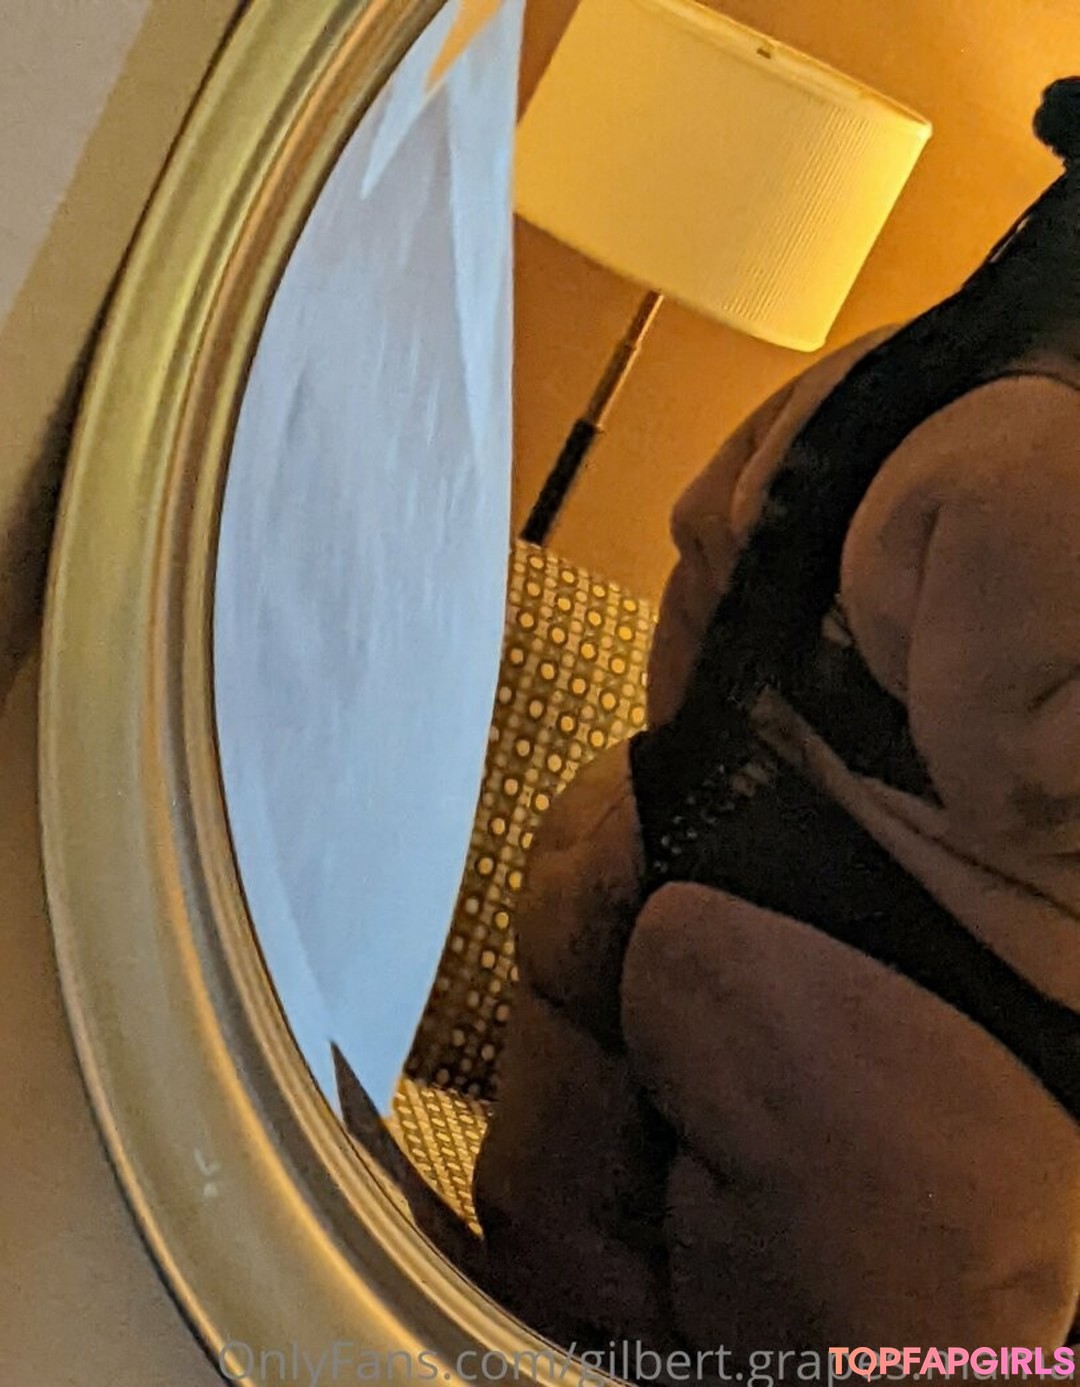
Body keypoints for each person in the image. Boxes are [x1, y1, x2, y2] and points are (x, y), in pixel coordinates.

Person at [469, 80, 1080, 1361]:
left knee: (528, 1321)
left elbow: (702, 557)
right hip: (887, 1060)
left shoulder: (897, 363)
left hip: (650, 864)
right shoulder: (1059, 464)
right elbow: (1027, 771)